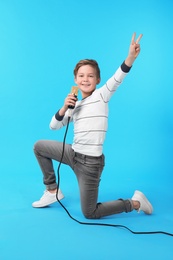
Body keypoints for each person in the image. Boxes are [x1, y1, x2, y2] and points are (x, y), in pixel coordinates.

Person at [32, 33, 153, 219]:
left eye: (90, 76)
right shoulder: (75, 106)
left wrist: (130, 57)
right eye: (81, 76)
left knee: (90, 212)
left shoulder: (102, 95)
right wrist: (65, 107)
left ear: (98, 80)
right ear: (75, 80)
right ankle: (51, 190)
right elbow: (53, 126)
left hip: (90, 164)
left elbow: (118, 77)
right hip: (73, 153)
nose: (85, 79)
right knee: (39, 146)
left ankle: (135, 202)